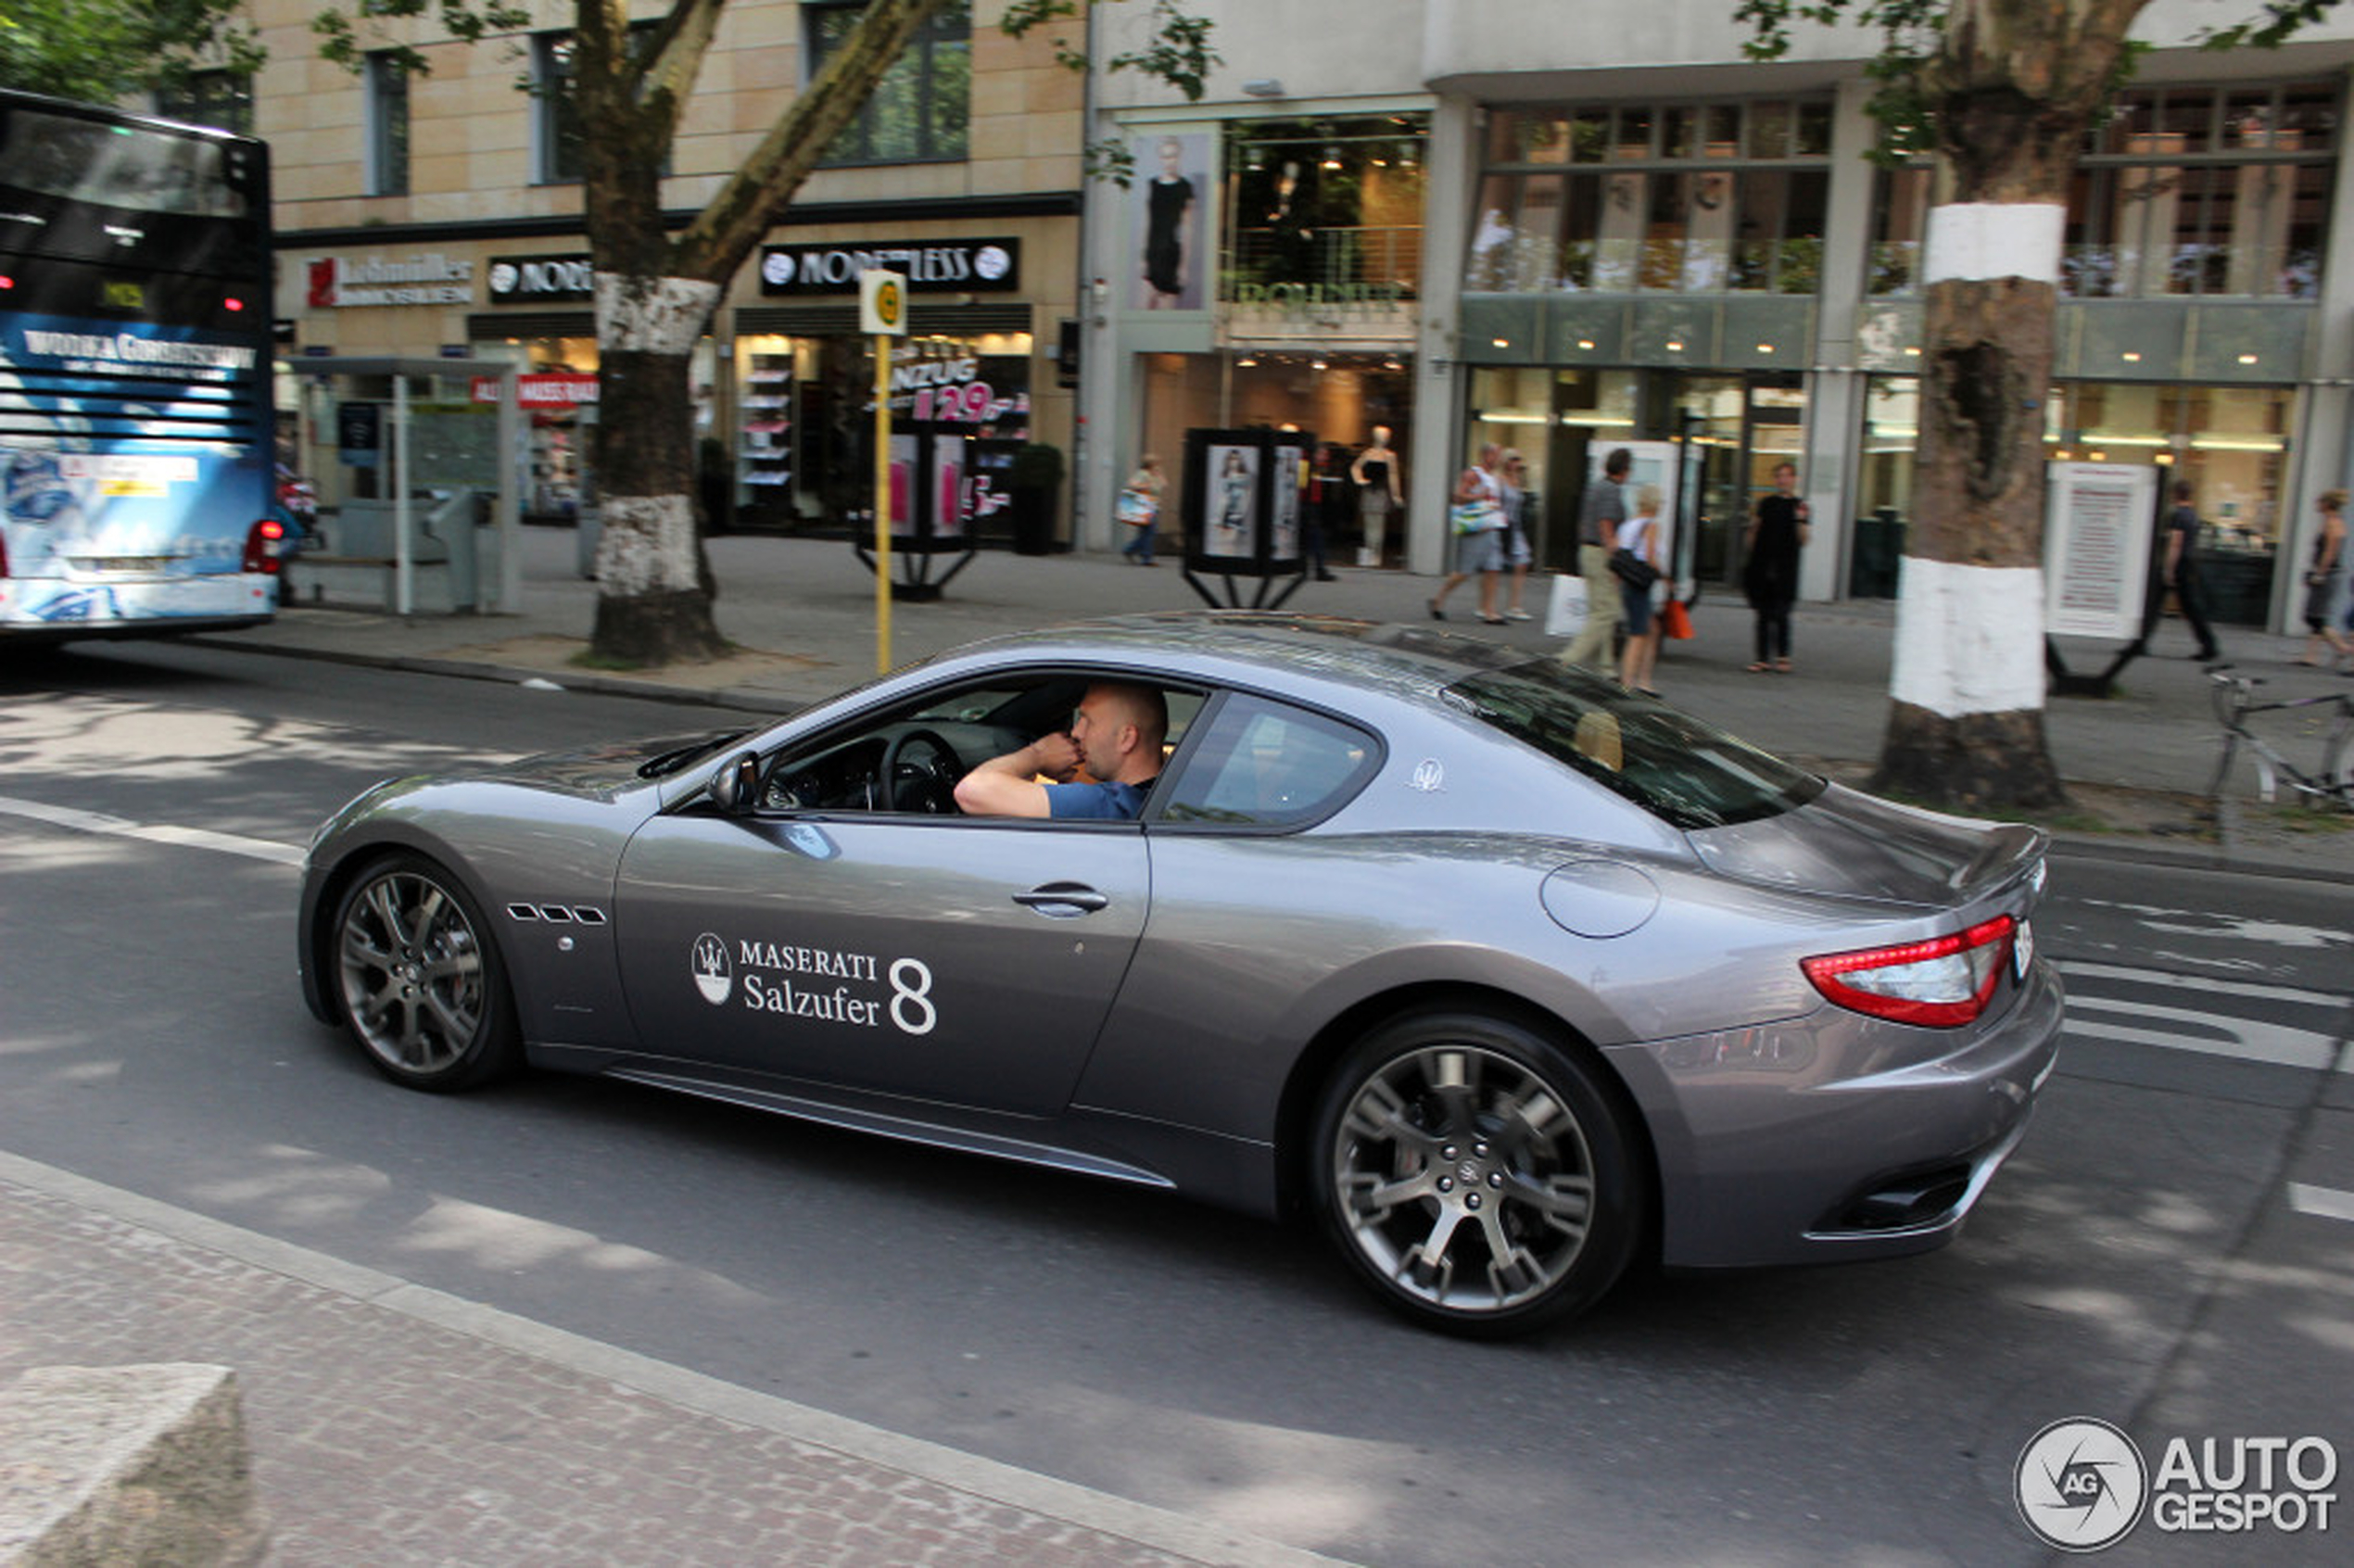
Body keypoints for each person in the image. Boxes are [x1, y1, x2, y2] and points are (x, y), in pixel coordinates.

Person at [954, 683, 1169, 819]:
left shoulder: (1115, 805)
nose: (1076, 731)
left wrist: (1038, 755)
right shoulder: (1161, 797)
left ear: (1126, 739)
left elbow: (971, 792)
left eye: (1088, 721)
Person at [1560, 448, 1632, 672]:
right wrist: (1614, 558)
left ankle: (1606, 664)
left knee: (1599, 607)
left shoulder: (1595, 487)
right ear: (1624, 470)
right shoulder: (1612, 490)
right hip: (1601, 552)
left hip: (1586, 550)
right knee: (1607, 610)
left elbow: (1585, 522)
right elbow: (1606, 523)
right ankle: (1567, 658)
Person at [1742, 462, 1810, 673]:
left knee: (1782, 613)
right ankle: (1762, 658)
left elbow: (1805, 539)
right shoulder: (1766, 503)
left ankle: (1783, 656)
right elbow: (1754, 530)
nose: (1783, 480)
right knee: (1762, 614)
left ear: (1794, 479)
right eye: (1779, 476)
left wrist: (1799, 520)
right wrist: (1751, 554)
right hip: (1763, 566)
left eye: (1787, 476)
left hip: (1786, 568)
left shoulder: (1800, 506)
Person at [1430, 445, 1507, 625]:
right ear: (1486, 455)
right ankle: (1439, 599)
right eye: (1496, 455)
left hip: (1492, 528)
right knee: (1464, 572)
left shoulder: (1495, 477)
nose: (1498, 459)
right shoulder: (1473, 475)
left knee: (1493, 569)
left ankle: (1489, 610)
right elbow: (1458, 496)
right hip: (1476, 529)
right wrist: (1479, 496)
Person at [2158, 478, 2221, 663]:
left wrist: (2169, 569)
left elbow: (2175, 543)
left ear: (2175, 494)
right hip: (2190, 562)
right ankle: (2208, 644)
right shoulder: (2193, 515)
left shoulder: (2177, 516)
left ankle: (2209, 645)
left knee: (2189, 608)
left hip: (2180, 564)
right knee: (2191, 607)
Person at [1616, 484, 1665, 697]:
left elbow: (1619, 552)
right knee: (1638, 633)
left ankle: (1644, 680)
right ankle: (1629, 682)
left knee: (1651, 629)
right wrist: (1664, 575)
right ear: (1654, 503)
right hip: (1641, 585)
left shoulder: (1628, 525)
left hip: (1628, 583)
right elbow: (1651, 556)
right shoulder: (1651, 525)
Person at [2297, 487, 2352, 668]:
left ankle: (2344, 648)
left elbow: (2330, 553)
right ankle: (2311, 656)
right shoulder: (2331, 522)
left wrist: (2320, 574)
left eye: (2320, 502)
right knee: (2316, 615)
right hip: (2328, 573)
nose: (2317, 505)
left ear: (2327, 504)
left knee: (2315, 617)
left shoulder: (2333, 524)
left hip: (2329, 574)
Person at [1142, 139, 1194, 310]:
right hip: (1152, 253)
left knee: (1167, 309)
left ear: (1179, 158)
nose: (1169, 161)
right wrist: (1142, 257)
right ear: (1160, 159)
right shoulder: (1152, 185)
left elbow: (1187, 228)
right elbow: (1146, 221)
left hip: (1171, 254)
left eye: (1173, 156)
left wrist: (1184, 267)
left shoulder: (1185, 187)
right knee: (1144, 306)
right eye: (1165, 156)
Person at [1350, 426, 1401, 568]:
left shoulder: (1389, 456)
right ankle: (1369, 553)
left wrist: (1396, 495)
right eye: (1383, 435)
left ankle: (1377, 553)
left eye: (1386, 436)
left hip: (1380, 493)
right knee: (1369, 526)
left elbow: (1393, 476)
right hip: (1369, 491)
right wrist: (1359, 480)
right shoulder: (1368, 453)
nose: (1385, 438)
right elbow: (1355, 467)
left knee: (1378, 526)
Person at [1500, 449, 1536, 620]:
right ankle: (1485, 605)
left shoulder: (1518, 479)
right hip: (1501, 526)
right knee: (1489, 566)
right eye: (1513, 459)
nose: (1516, 463)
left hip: (1515, 527)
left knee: (1522, 561)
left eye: (1518, 460)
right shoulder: (1499, 479)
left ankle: (1514, 605)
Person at [1304, 444, 1344, 581]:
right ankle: (1319, 568)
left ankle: (1313, 566)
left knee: (1312, 537)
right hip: (1308, 505)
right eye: (1323, 454)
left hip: (1312, 504)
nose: (1326, 457)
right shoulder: (1309, 468)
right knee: (1316, 537)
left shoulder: (1318, 470)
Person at [1119, 454, 1165, 566]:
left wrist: (1158, 475)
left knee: (1146, 532)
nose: (1158, 466)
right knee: (1149, 532)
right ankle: (1144, 557)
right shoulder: (1142, 474)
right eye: (1156, 464)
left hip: (1152, 506)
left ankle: (1131, 550)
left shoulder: (1152, 475)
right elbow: (1132, 485)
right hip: (1145, 505)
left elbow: (1164, 485)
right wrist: (1146, 486)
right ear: (1150, 464)